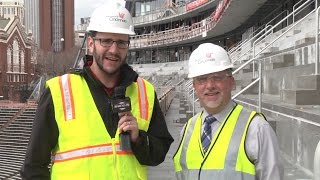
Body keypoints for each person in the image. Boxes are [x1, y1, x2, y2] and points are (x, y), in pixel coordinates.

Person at [21, 2, 173, 180]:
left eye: (121, 42)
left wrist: (138, 139)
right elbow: (33, 167)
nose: (114, 50)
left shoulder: (144, 92)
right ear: (91, 44)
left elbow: (159, 153)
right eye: (106, 41)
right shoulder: (60, 92)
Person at [173, 43, 283, 180]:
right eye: (202, 80)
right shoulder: (187, 129)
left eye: (217, 77)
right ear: (194, 86)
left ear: (231, 82)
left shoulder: (257, 129)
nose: (210, 86)